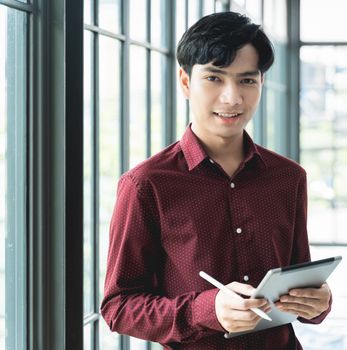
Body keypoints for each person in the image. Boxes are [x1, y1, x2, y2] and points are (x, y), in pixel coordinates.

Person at [100, 11, 332, 350]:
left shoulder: (289, 178)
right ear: (185, 82)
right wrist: (206, 310)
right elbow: (118, 308)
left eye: (247, 80)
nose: (232, 97)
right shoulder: (147, 184)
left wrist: (318, 303)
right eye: (214, 78)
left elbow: (299, 281)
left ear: (261, 84)